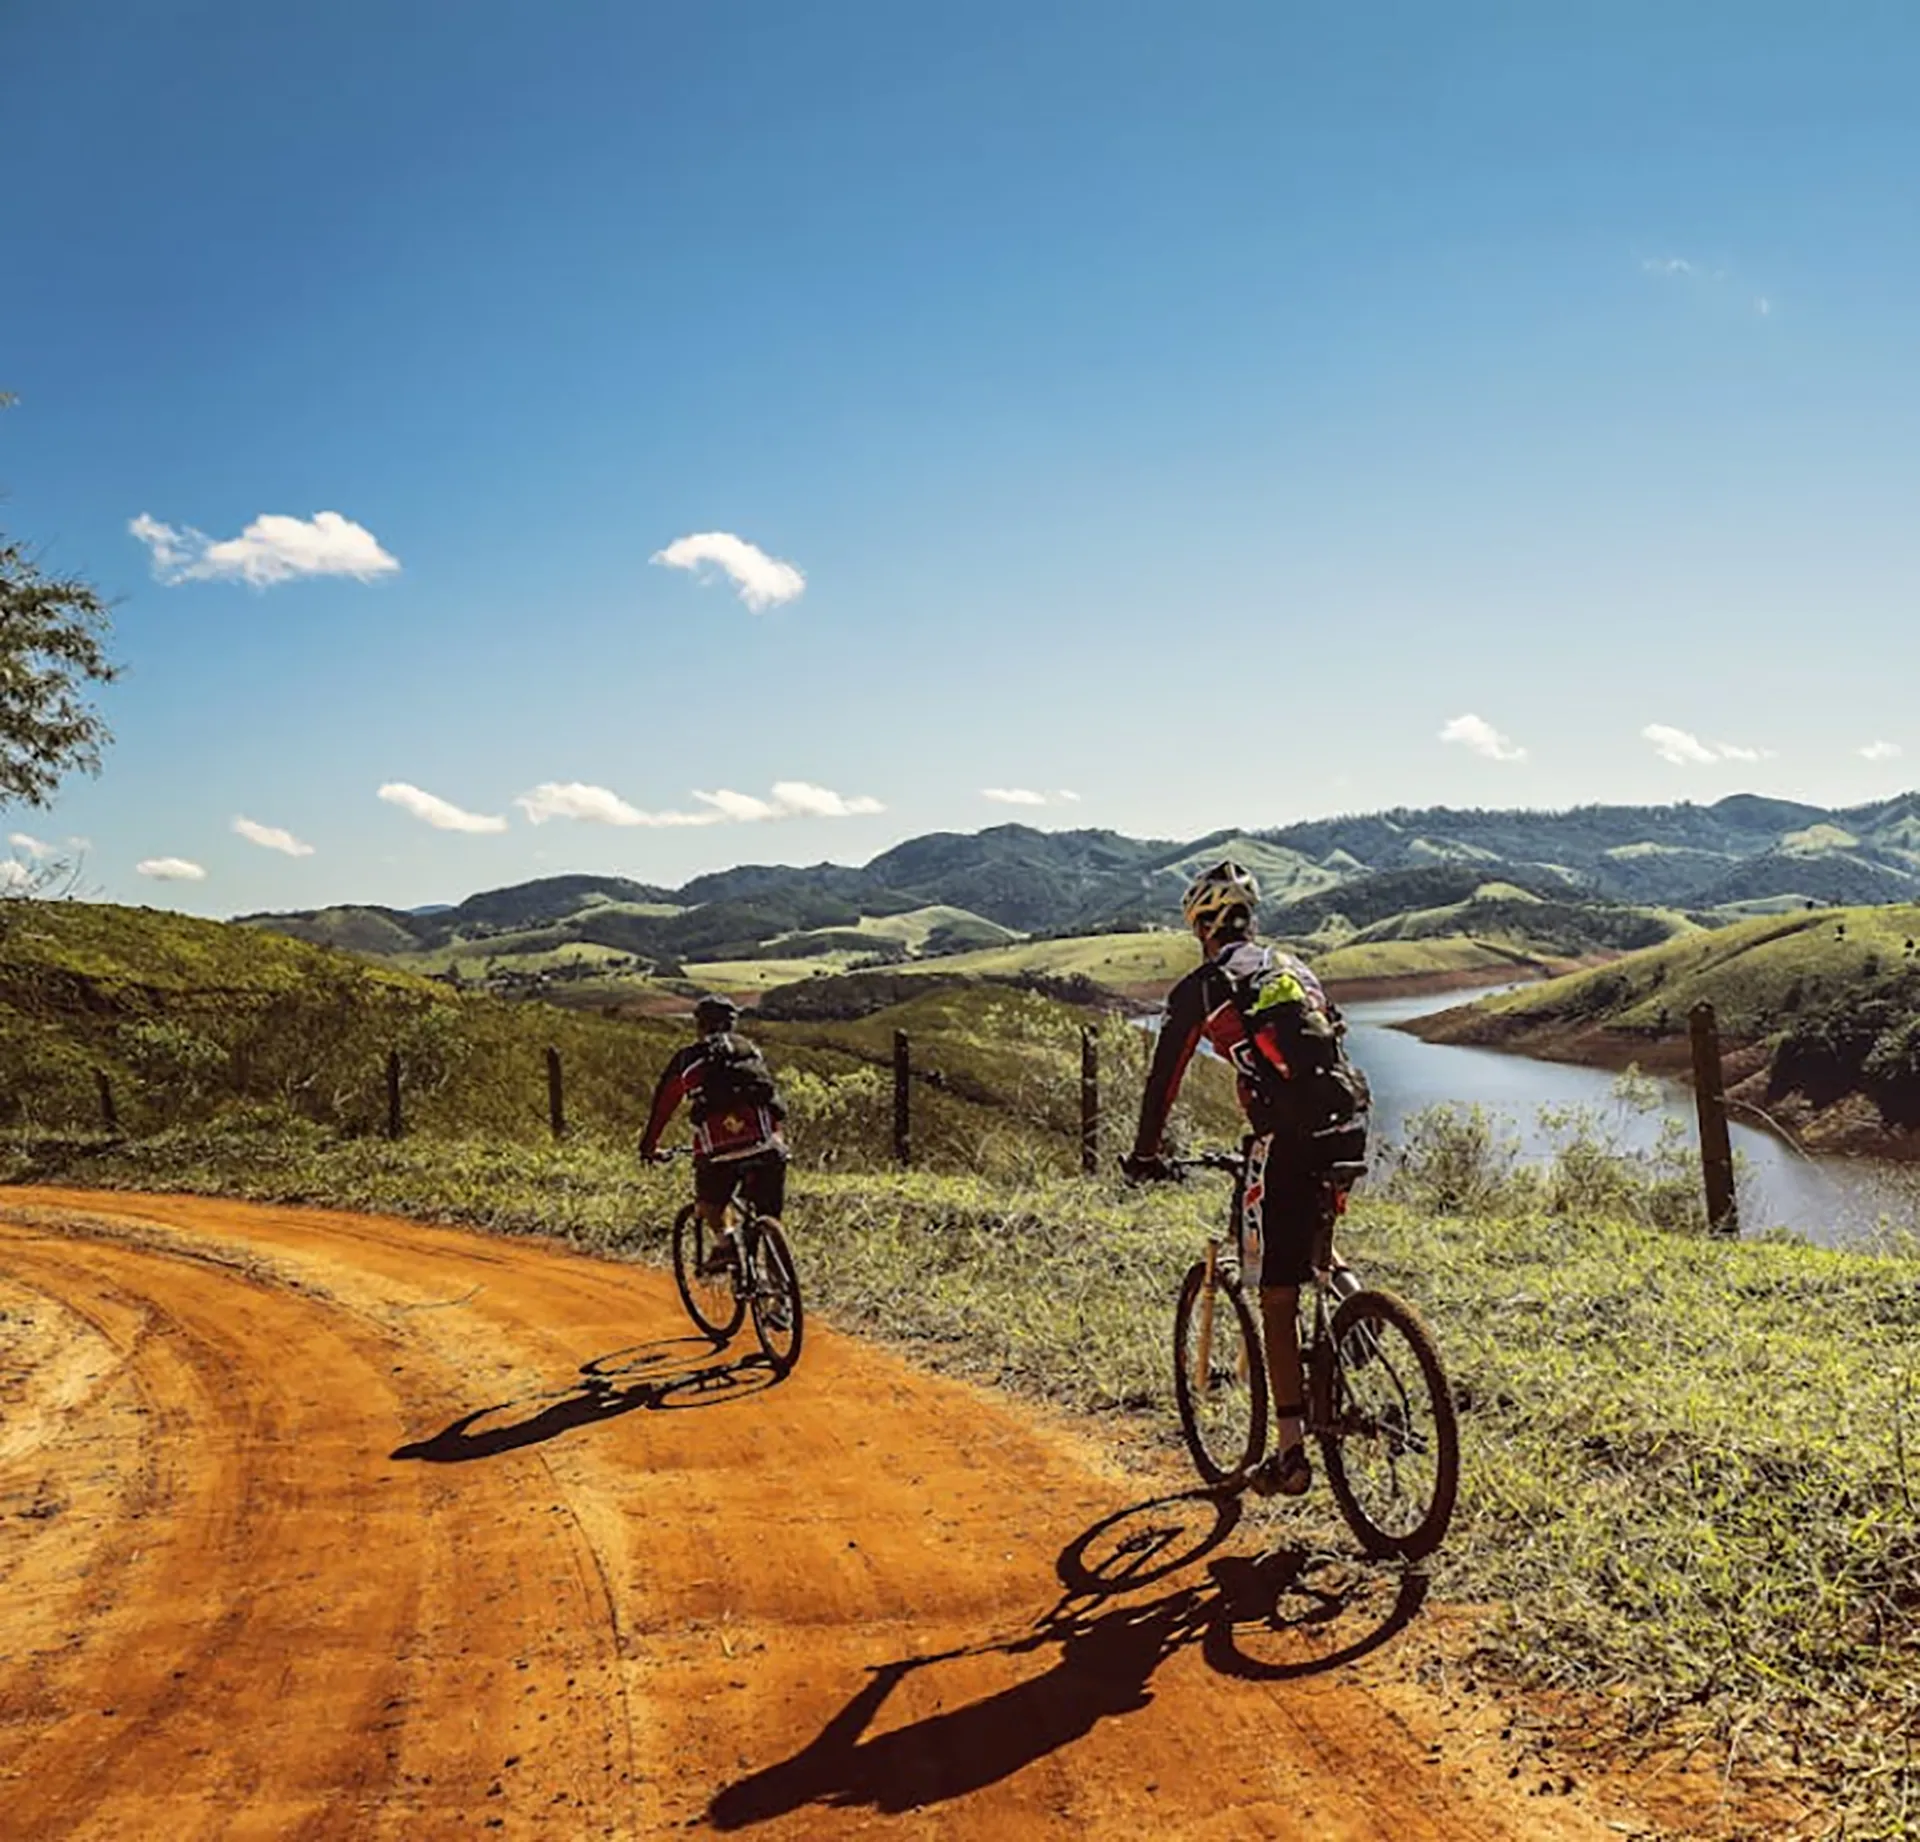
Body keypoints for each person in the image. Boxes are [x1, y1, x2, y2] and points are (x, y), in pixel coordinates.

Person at [1122, 860, 1364, 1500]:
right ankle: (1360, 1312)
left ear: (1200, 928)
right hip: (1347, 1125)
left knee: (1276, 1295)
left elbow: (1163, 1082)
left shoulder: (1204, 989)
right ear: (1249, 919)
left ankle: (1290, 1457)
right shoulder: (1293, 968)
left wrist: (1145, 1154)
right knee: (1315, 1245)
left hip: (1284, 1142)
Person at [640, 993, 790, 1277]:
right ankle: (779, 1290)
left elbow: (663, 1106)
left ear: (699, 1025)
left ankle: (725, 1243)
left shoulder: (686, 1059)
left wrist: (649, 1146)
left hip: (719, 1150)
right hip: (768, 1143)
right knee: (769, 1214)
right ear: (732, 1024)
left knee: (710, 1201)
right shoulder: (751, 1051)